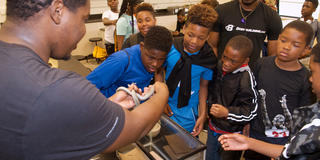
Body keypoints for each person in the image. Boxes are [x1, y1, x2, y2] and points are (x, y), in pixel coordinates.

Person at [0, 0, 170, 159]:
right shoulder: (58, 88)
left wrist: (105, 105)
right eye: (83, 19)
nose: (83, 31)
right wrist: (161, 90)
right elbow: (135, 127)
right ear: (58, 11)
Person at [218, 43, 320, 160]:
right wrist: (249, 142)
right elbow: (289, 151)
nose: (311, 78)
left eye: (313, 72)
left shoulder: (315, 123)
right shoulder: (262, 64)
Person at [246, 20, 317, 160]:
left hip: (283, 140)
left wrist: (290, 144)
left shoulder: (307, 79)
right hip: (256, 133)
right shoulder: (261, 64)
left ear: (306, 50)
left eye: (295, 45)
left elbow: (304, 118)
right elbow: (250, 95)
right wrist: (247, 122)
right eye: (283, 40)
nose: (286, 47)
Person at [163, 4, 218, 136]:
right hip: (165, 105)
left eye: (201, 38)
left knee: (185, 148)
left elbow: (204, 86)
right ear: (184, 28)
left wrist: (203, 113)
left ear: (208, 37)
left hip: (189, 112)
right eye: (190, 35)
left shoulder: (209, 59)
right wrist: (161, 98)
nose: (194, 41)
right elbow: (158, 71)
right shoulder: (171, 47)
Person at [206, 35, 258, 160]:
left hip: (232, 135)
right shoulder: (219, 66)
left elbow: (251, 111)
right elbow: (212, 89)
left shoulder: (246, 79)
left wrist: (227, 113)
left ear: (245, 61)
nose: (226, 63)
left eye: (233, 61)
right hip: (213, 127)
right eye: (225, 57)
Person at [87, 26, 172, 98]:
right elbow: (85, 89)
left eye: (161, 59)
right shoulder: (121, 61)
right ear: (142, 47)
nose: (155, 64)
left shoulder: (159, 58)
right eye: (150, 57)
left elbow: (159, 71)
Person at [208, 0, 282, 67]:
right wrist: (216, 68)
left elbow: (272, 55)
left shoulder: (272, 17)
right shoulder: (221, 11)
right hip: (223, 71)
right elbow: (212, 45)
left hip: (252, 72)